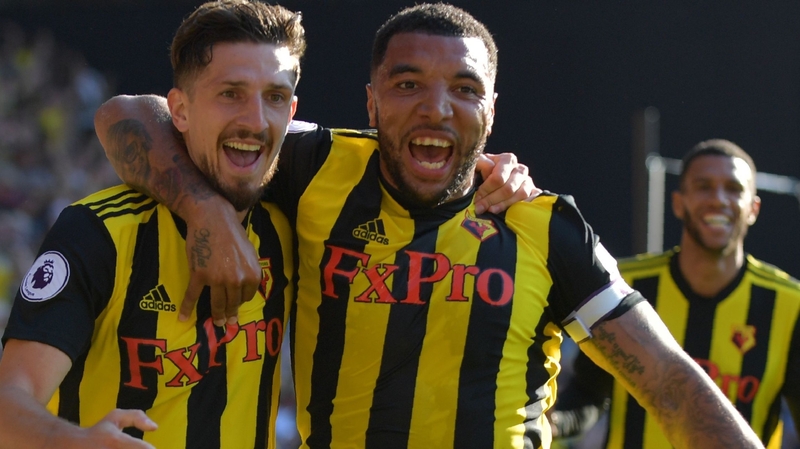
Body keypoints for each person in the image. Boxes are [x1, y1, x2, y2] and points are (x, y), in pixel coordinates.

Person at [94, 3, 765, 448]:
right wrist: (203, 207)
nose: (437, 108)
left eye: (464, 89)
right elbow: (128, 112)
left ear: (492, 110)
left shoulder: (545, 224)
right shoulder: (314, 164)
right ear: (372, 101)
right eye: (409, 84)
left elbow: (671, 383)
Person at [0, 1, 306, 447]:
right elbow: (9, 402)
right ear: (178, 110)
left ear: (292, 111)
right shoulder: (101, 232)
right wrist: (76, 442)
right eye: (230, 93)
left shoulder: (294, 218)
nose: (256, 120)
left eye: (274, 97)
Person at [550, 139, 800, 448]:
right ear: (679, 202)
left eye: (734, 189)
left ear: (753, 208)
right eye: (704, 186)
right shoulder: (624, 284)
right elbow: (589, 393)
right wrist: (553, 424)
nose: (718, 199)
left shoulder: (790, 304)